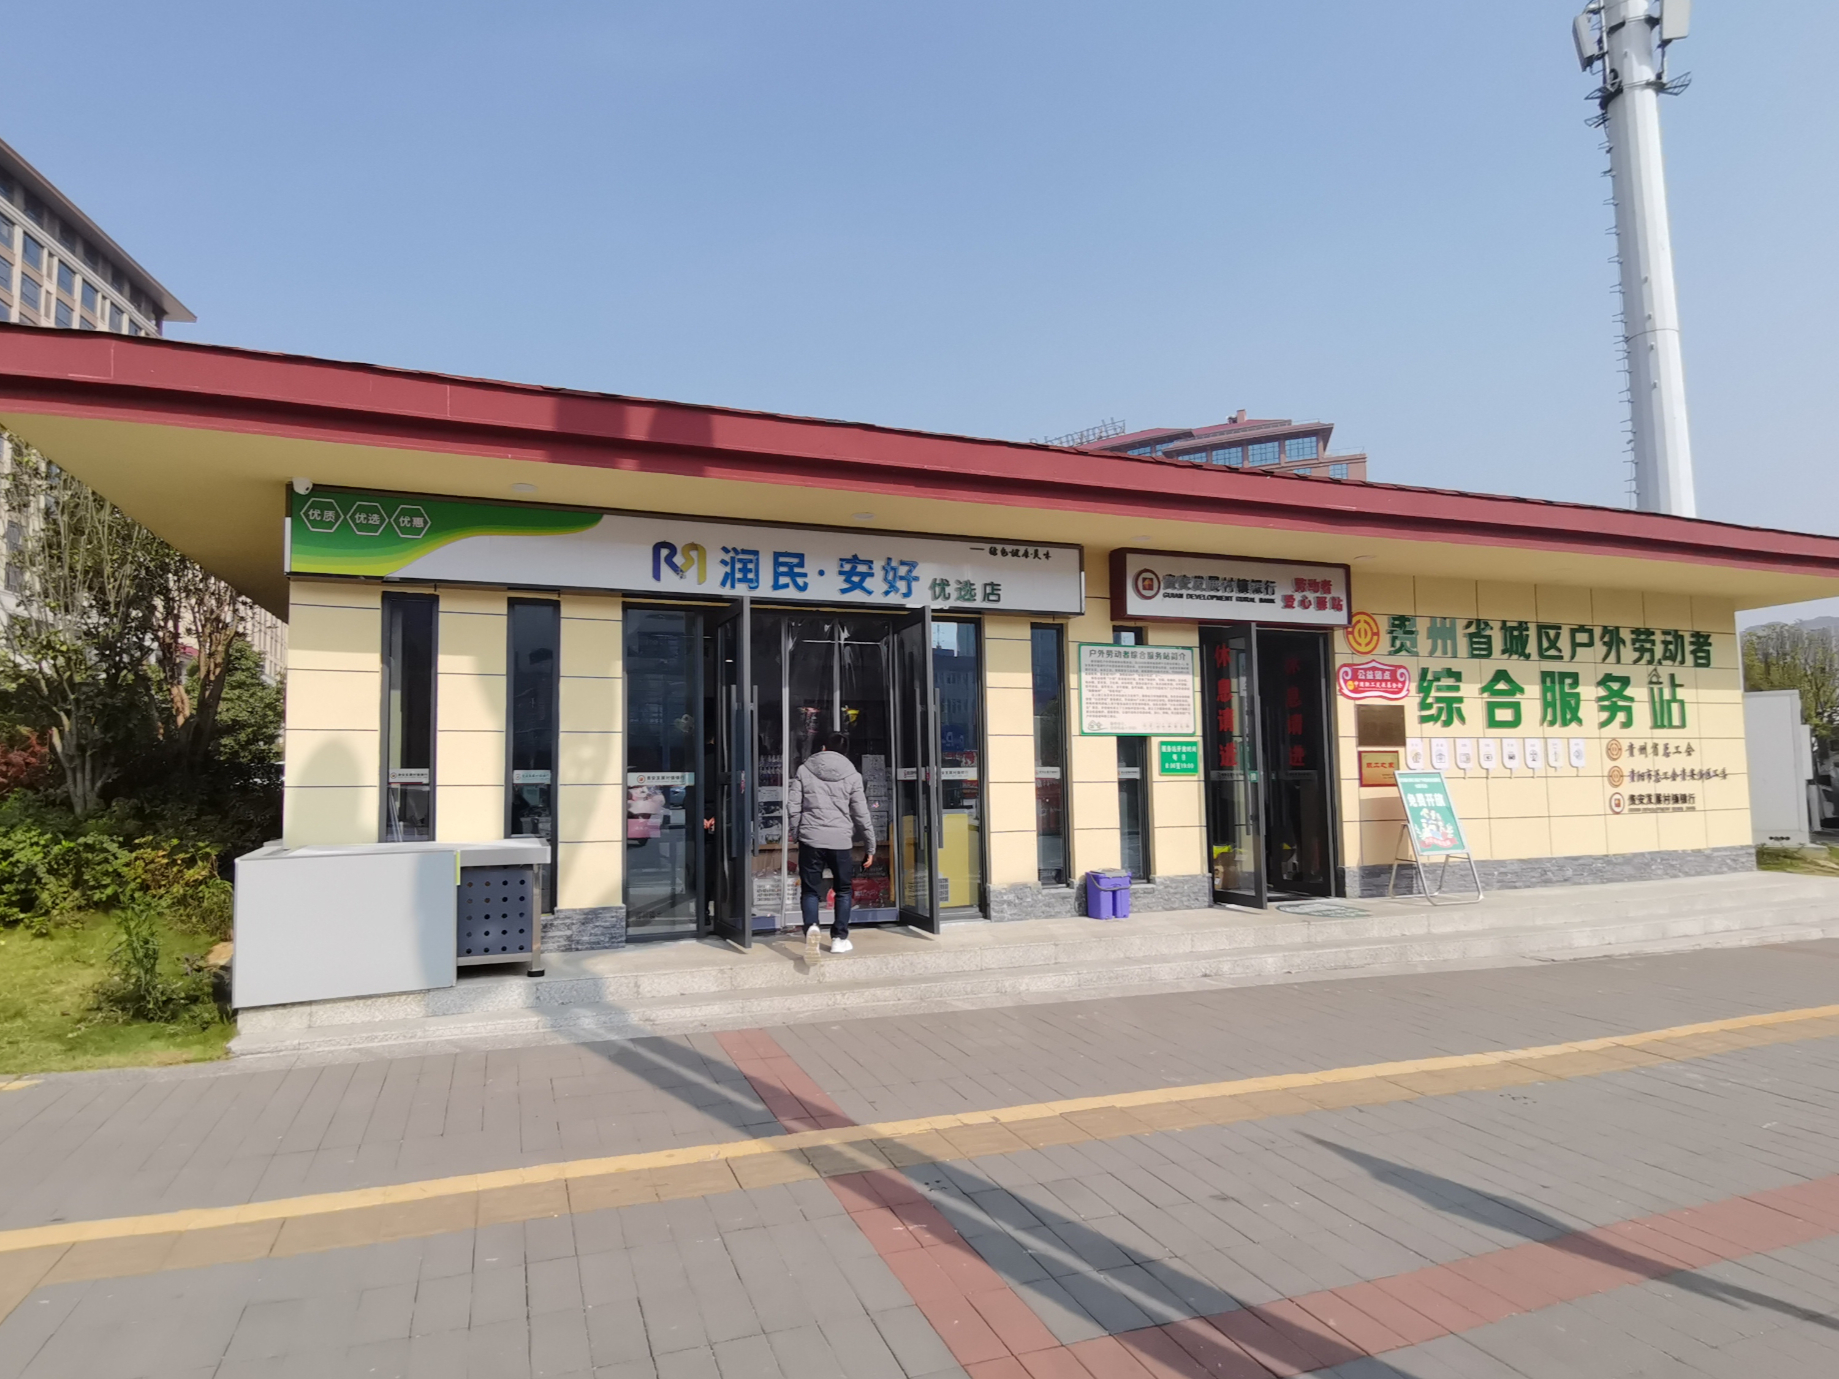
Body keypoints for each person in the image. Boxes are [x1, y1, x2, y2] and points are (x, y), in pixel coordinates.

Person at [785, 732, 875, 953]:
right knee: (843, 890)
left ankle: (812, 929)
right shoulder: (852, 775)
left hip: (811, 839)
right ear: (845, 752)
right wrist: (870, 846)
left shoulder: (805, 770)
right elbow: (861, 814)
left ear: (823, 747)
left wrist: (797, 833)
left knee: (810, 891)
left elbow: (793, 806)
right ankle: (839, 939)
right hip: (840, 841)